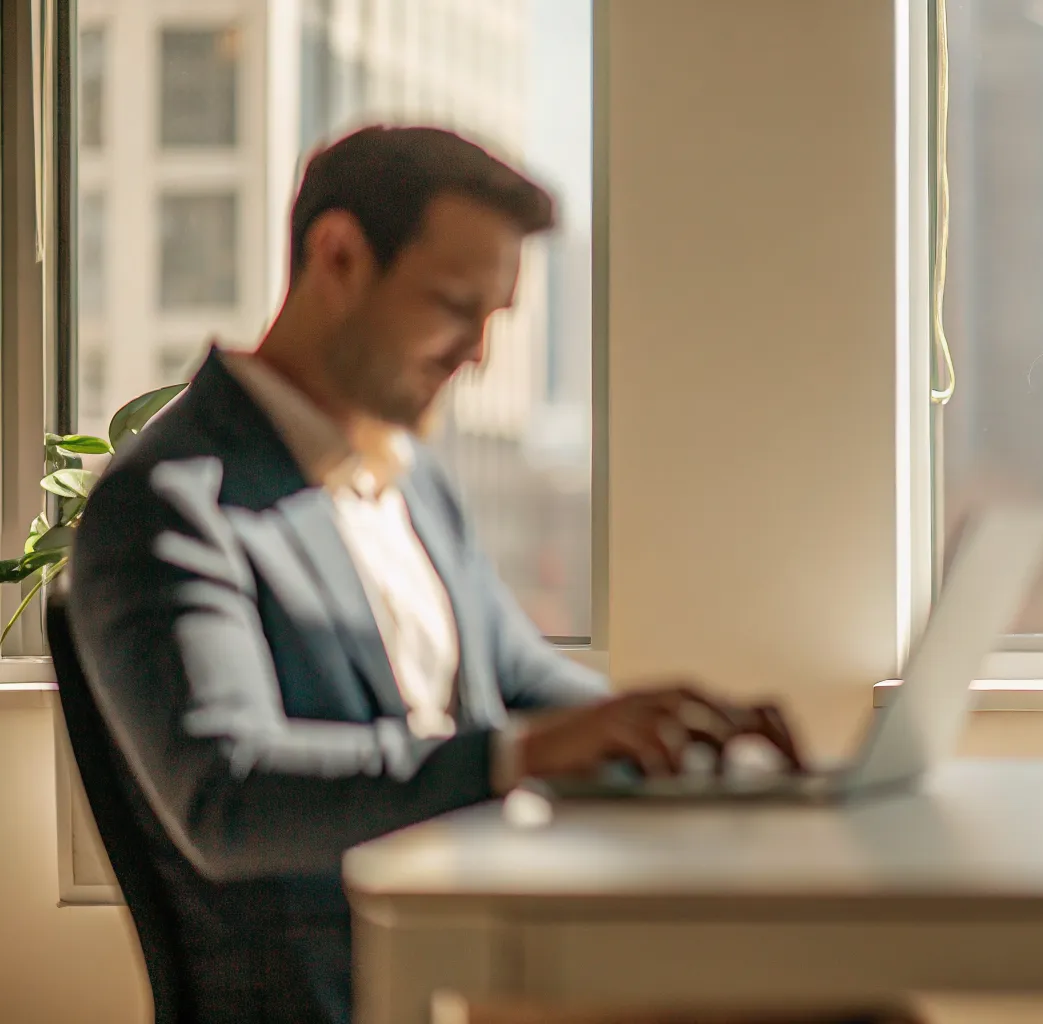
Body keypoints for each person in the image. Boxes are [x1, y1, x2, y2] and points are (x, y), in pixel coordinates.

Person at [68, 126, 806, 1024]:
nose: (477, 354)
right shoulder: (172, 503)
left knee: (823, 998)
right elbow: (230, 795)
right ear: (338, 256)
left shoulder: (414, 485)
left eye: (495, 316)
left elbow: (521, 682)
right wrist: (516, 757)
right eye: (456, 306)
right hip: (362, 993)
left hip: (493, 959)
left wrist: (694, 739)